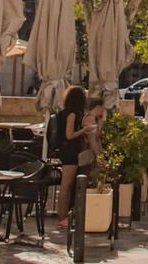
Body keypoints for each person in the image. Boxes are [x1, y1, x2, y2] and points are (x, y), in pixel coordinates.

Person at [56, 86, 95, 227]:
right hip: (70, 151)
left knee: (67, 184)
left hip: (67, 151)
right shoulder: (71, 114)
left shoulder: (64, 112)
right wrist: (84, 130)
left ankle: (63, 215)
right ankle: (62, 216)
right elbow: (69, 135)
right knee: (66, 185)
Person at [81, 97, 105, 170]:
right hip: (92, 154)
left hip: (94, 154)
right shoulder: (90, 119)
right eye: (102, 108)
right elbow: (92, 140)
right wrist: (99, 157)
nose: (103, 110)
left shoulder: (95, 119)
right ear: (97, 107)